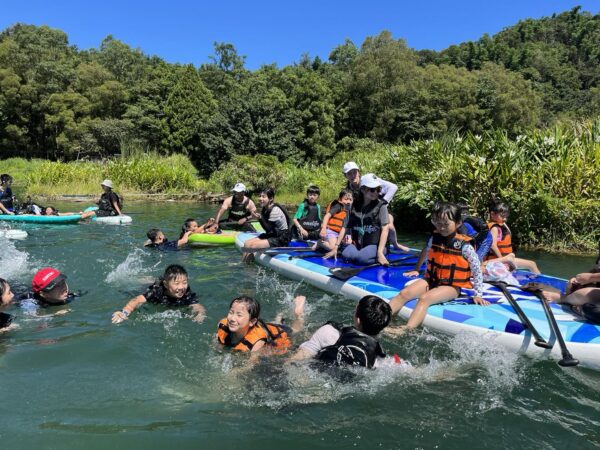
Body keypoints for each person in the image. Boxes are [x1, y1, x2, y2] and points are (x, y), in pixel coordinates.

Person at [388, 202, 488, 332]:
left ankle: (406, 329)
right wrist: (416, 269)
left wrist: (478, 294)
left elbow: (476, 269)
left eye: (446, 224)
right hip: (431, 280)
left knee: (425, 298)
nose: (441, 227)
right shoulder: (434, 238)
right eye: (437, 223)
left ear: (458, 223)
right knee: (404, 293)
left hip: (451, 287)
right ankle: (381, 319)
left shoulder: (464, 246)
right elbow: (425, 252)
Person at [291, 295, 395, 369]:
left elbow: (296, 359)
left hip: (310, 374)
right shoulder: (380, 359)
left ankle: (298, 317)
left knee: (293, 337)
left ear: (358, 321)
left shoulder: (330, 332)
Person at [327, 174, 390, 266]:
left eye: (378, 190)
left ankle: (377, 253)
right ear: (363, 190)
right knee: (346, 255)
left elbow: (385, 229)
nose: (376, 192)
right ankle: (360, 254)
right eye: (372, 190)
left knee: (362, 259)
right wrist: (335, 247)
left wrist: (380, 252)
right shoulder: (354, 206)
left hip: (375, 245)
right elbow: (345, 227)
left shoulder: (381, 206)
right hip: (358, 245)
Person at [342, 162, 407, 251]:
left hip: (380, 208)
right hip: (363, 212)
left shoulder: (370, 179)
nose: (353, 175)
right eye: (349, 173)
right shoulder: (348, 190)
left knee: (390, 226)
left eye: (354, 172)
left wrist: (382, 203)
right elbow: (348, 210)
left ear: (359, 172)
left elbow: (393, 187)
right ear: (345, 175)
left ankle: (395, 244)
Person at [111, 265, 205, 323]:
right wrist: (124, 312)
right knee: (131, 292)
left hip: (165, 284)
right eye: (177, 283)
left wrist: (200, 314)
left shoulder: (186, 291)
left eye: (184, 282)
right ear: (166, 285)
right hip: (149, 288)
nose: (181, 287)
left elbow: (196, 305)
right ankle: (140, 277)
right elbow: (137, 300)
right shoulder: (156, 293)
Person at [217, 294, 305, 353]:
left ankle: (298, 313)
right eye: (231, 312)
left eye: (239, 315)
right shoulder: (224, 326)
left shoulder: (257, 341)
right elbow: (220, 342)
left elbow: (251, 364)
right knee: (274, 324)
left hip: (280, 333)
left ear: (251, 322)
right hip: (266, 327)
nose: (232, 318)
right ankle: (279, 317)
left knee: (295, 330)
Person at [486, 200, 540, 274]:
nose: (504, 219)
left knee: (532, 264)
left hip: (504, 259)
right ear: (492, 214)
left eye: (506, 217)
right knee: (531, 264)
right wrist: (503, 260)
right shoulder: (494, 228)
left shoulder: (499, 225)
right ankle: (539, 283)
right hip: (498, 260)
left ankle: (537, 281)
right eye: (502, 216)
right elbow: (493, 245)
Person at [541, 257, 600, 323]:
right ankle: (567, 299)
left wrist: (591, 277)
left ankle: (565, 299)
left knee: (589, 309)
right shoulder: (595, 271)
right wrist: (572, 285)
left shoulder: (593, 276)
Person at [241, 187, 291, 256]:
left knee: (252, 247)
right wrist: (259, 218)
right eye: (260, 196)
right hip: (272, 235)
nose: (260, 199)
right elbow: (268, 230)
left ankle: (249, 266)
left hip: (281, 239)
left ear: (271, 199)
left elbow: (268, 229)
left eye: (263, 197)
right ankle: (244, 264)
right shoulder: (265, 208)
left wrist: (260, 218)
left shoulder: (275, 210)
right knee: (247, 243)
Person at [314, 188, 353, 252]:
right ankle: (320, 242)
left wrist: (349, 236)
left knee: (348, 244)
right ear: (340, 200)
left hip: (341, 233)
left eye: (350, 200)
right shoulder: (338, 206)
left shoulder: (351, 210)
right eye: (345, 199)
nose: (348, 202)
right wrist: (323, 229)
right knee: (332, 248)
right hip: (331, 231)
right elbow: (327, 216)